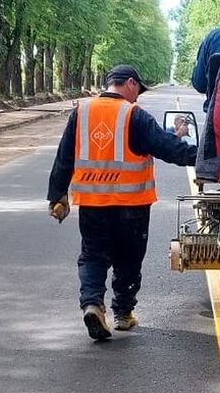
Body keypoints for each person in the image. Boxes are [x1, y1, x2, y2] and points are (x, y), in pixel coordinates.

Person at [47, 64, 197, 341]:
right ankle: (123, 314)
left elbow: (64, 157)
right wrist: (208, 158)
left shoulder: (81, 112)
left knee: (93, 255)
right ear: (130, 83)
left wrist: (57, 195)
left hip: (93, 204)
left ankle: (93, 304)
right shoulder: (134, 115)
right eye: (138, 89)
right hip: (132, 206)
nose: (138, 96)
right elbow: (169, 149)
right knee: (128, 259)